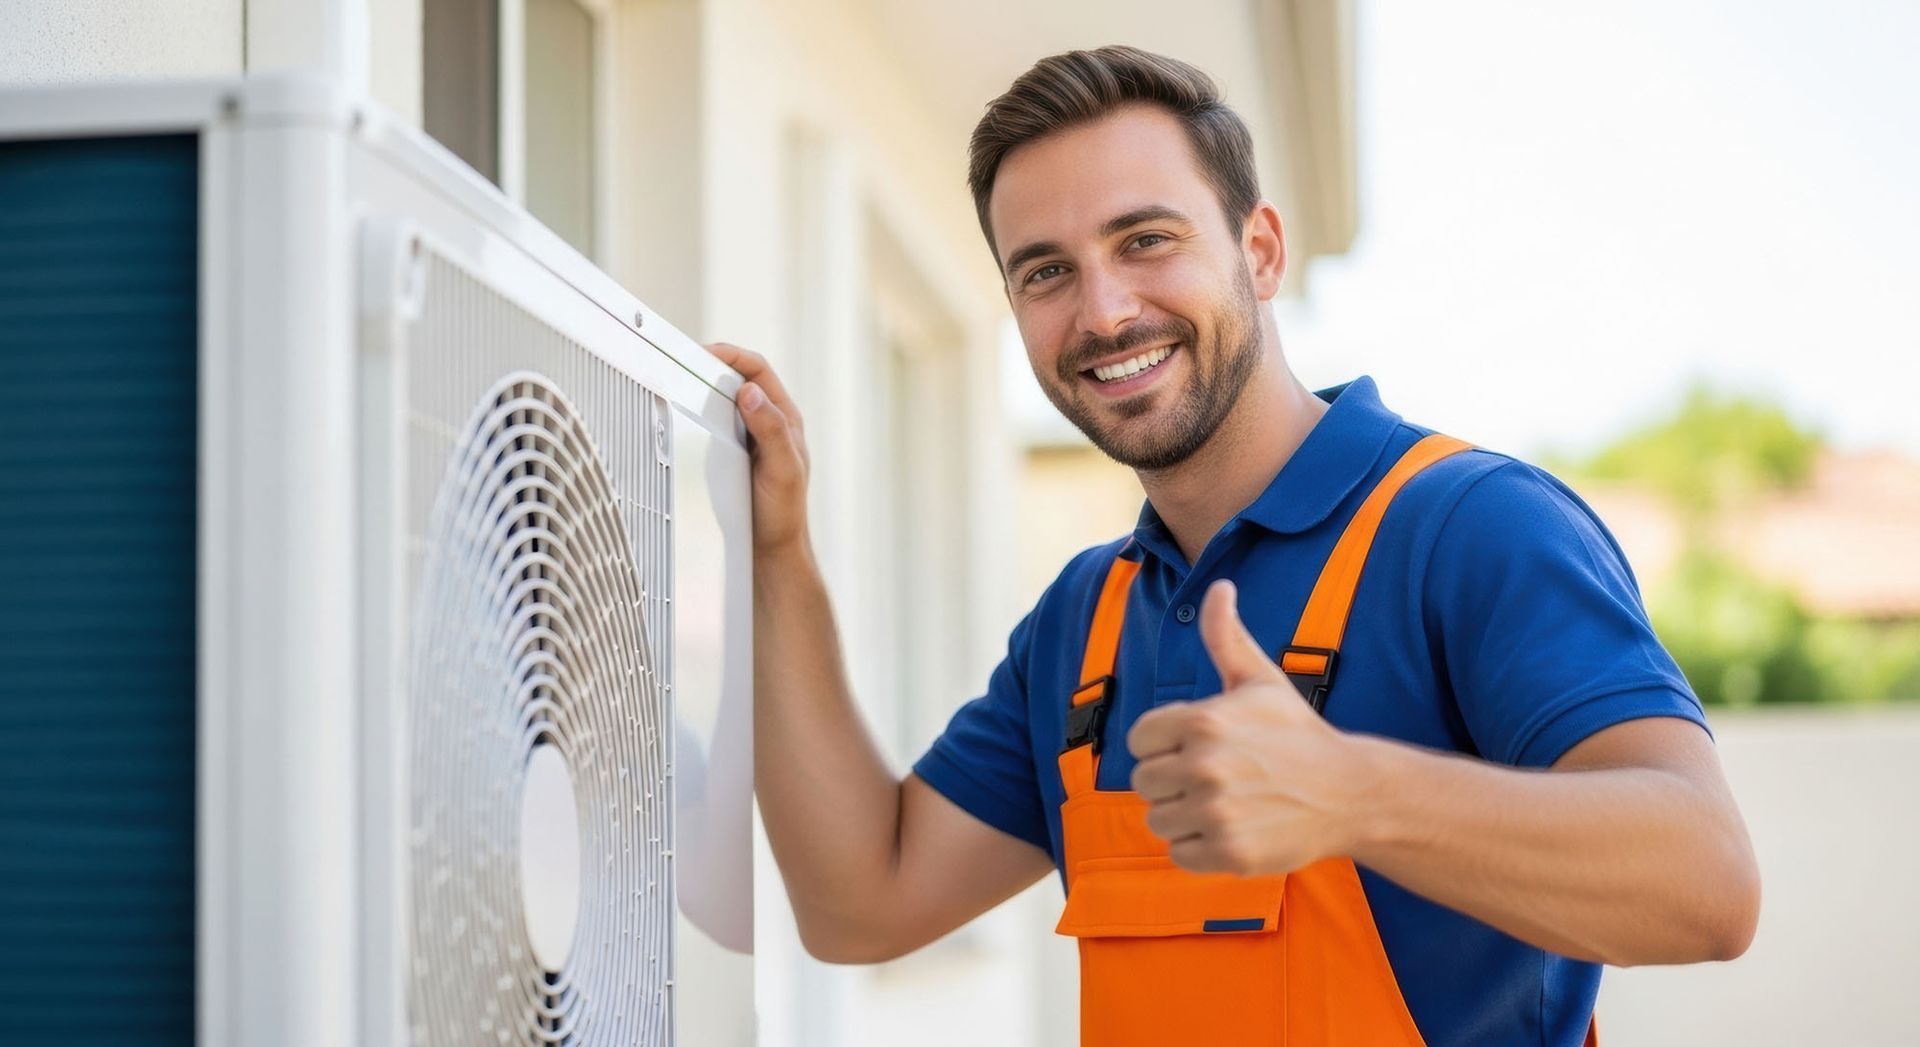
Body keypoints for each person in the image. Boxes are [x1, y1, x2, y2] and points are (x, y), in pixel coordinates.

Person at [709, 44, 1759, 1047]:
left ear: (1259, 252)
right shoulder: (1086, 623)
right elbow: (862, 902)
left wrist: (1352, 793)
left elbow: (1708, 886)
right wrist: (776, 556)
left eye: (1146, 240)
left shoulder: (1469, 526)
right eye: (1045, 272)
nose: (1105, 310)